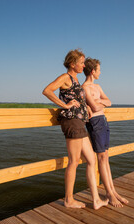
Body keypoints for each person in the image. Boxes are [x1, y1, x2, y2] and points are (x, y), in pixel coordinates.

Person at [42, 49, 108, 210]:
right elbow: (47, 90)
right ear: (72, 64)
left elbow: (77, 98)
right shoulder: (65, 77)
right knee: (73, 162)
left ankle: (96, 200)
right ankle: (68, 199)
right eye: (81, 62)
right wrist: (65, 105)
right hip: (72, 122)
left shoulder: (75, 80)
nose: (83, 65)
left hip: (80, 122)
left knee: (91, 159)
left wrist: (86, 107)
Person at [83, 57, 129, 207]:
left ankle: (113, 191)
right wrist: (100, 103)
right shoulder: (85, 88)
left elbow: (109, 101)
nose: (100, 72)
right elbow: (95, 108)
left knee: (106, 158)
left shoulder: (98, 87)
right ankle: (109, 193)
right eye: (99, 70)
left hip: (103, 121)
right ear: (92, 71)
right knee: (101, 158)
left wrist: (99, 102)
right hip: (95, 123)